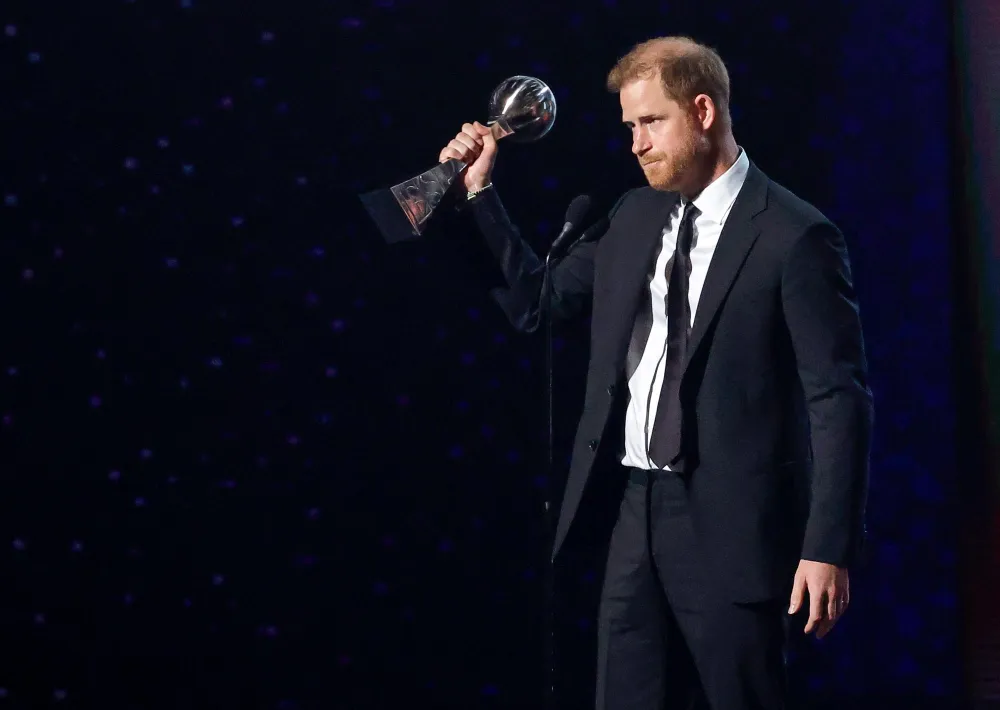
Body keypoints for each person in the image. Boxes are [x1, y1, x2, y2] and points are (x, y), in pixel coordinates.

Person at [438, 36, 873, 710]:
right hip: (634, 513)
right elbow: (539, 301)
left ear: (702, 110)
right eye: (629, 126)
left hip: (734, 526)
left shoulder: (794, 235)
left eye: (650, 122)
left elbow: (838, 397)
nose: (635, 143)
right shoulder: (635, 214)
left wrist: (827, 546)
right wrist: (480, 192)